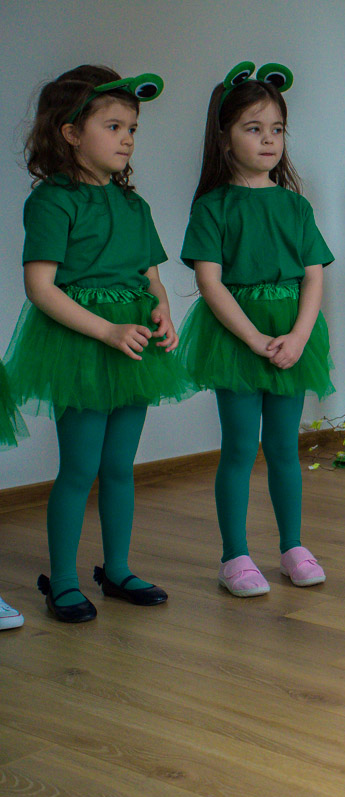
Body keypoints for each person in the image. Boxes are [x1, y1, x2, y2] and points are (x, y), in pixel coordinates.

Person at [7, 65, 192, 622]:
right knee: (79, 468)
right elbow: (41, 288)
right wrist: (106, 329)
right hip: (83, 347)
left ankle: (117, 569)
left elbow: (150, 277)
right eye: (113, 126)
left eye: (131, 128)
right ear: (70, 133)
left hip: (133, 346)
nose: (127, 138)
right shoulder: (52, 201)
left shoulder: (134, 206)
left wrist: (162, 310)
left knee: (119, 466)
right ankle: (62, 580)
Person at [177, 62, 334, 597]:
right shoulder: (213, 207)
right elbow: (210, 282)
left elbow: (313, 277)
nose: (269, 140)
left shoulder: (295, 205)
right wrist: (252, 338)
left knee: (285, 448)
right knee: (241, 448)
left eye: (277, 129)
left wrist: (299, 336)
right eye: (253, 128)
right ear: (225, 138)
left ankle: (293, 547)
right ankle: (235, 556)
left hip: (292, 334)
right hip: (237, 339)